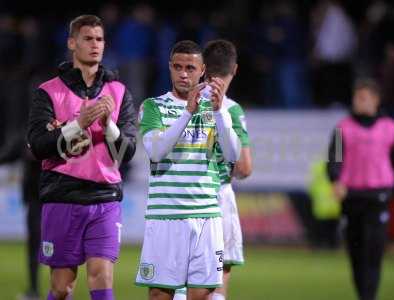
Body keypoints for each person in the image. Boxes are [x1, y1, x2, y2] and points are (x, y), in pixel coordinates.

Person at [27, 15, 137, 300]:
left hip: (105, 197)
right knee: (62, 287)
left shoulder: (119, 92)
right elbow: (38, 146)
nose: (95, 45)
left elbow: (127, 154)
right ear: (72, 43)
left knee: (101, 274)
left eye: (99, 39)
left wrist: (108, 124)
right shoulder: (48, 92)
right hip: (62, 195)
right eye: (88, 38)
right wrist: (78, 125)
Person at [135, 40, 241, 300]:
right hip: (166, 216)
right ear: (170, 68)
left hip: (206, 215)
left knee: (203, 294)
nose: (184, 74)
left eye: (190, 68)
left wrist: (219, 113)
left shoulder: (216, 109)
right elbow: (157, 151)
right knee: (161, 294)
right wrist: (186, 113)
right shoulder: (153, 106)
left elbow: (232, 155)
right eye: (178, 67)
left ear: (203, 70)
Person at [173, 39, 252, 300]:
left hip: (182, 196)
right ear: (236, 69)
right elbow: (244, 167)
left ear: (203, 68)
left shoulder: (184, 103)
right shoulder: (230, 109)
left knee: (181, 281)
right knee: (216, 283)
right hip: (218, 196)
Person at [327, 78, 394, 300]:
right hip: (352, 197)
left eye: (364, 98)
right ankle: (364, 295)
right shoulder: (342, 128)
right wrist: (336, 180)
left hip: (379, 196)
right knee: (357, 254)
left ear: (376, 100)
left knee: (374, 251)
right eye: (357, 97)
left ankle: (369, 296)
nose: (359, 102)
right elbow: (334, 159)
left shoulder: (391, 128)